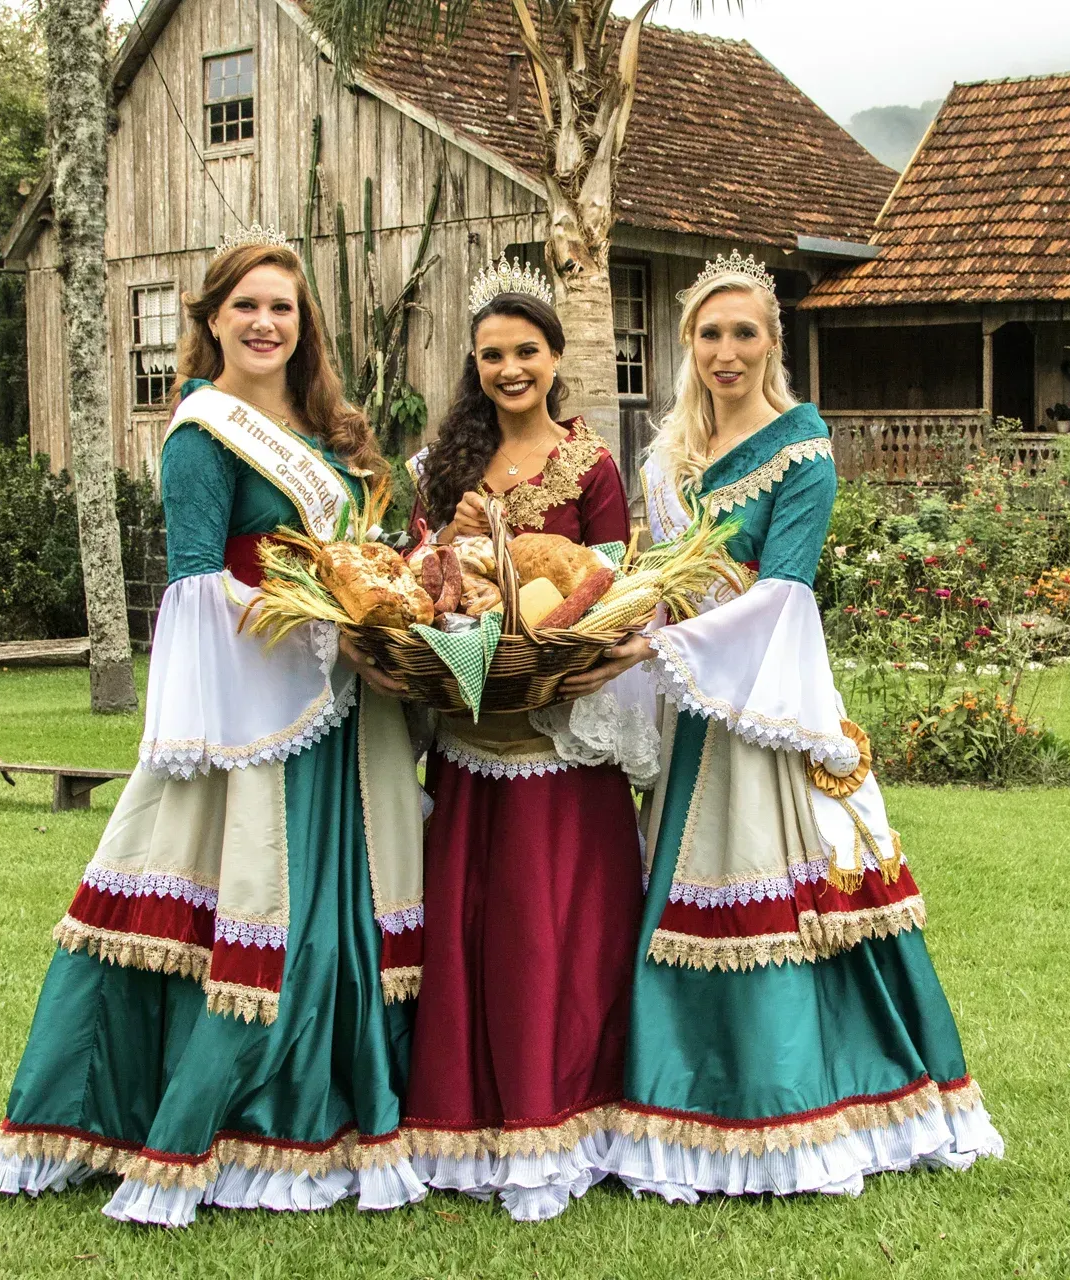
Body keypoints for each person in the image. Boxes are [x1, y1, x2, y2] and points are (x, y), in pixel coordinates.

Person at [0, 233, 430, 1226]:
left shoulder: (319, 433)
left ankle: (334, 1111)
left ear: (304, 327)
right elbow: (192, 589)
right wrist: (322, 628)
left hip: (350, 719)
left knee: (345, 913)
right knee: (255, 908)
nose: (267, 323)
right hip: (259, 715)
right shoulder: (201, 434)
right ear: (212, 317)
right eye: (248, 305)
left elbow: (354, 554)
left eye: (285, 309)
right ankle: (211, 1120)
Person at [568, 254, 1005, 1201]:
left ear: (774, 342)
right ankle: (674, 1099)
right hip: (691, 709)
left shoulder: (803, 448)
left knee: (773, 895)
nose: (727, 352)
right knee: (678, 892)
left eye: (745, 333)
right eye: (709, 334)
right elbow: (654, 584)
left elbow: (785, 592)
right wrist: (619, 637)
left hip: (761, 707)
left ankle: (793, 1102)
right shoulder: (667, 457)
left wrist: (665, 653)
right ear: (689, 345)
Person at [398, 262, 652, 1221]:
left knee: (558, 926)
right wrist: (446, 553)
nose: (511, 368)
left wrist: (591, 656)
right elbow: (422, 584)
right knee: (475, 925)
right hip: (473, 730)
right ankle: (467, 1121)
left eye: (527, 352)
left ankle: (567, 1114)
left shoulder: (591, 466)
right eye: (494, 354)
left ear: (555, 359)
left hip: (559, 737)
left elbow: (622, 591)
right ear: (476, 362)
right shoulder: (445, 467)